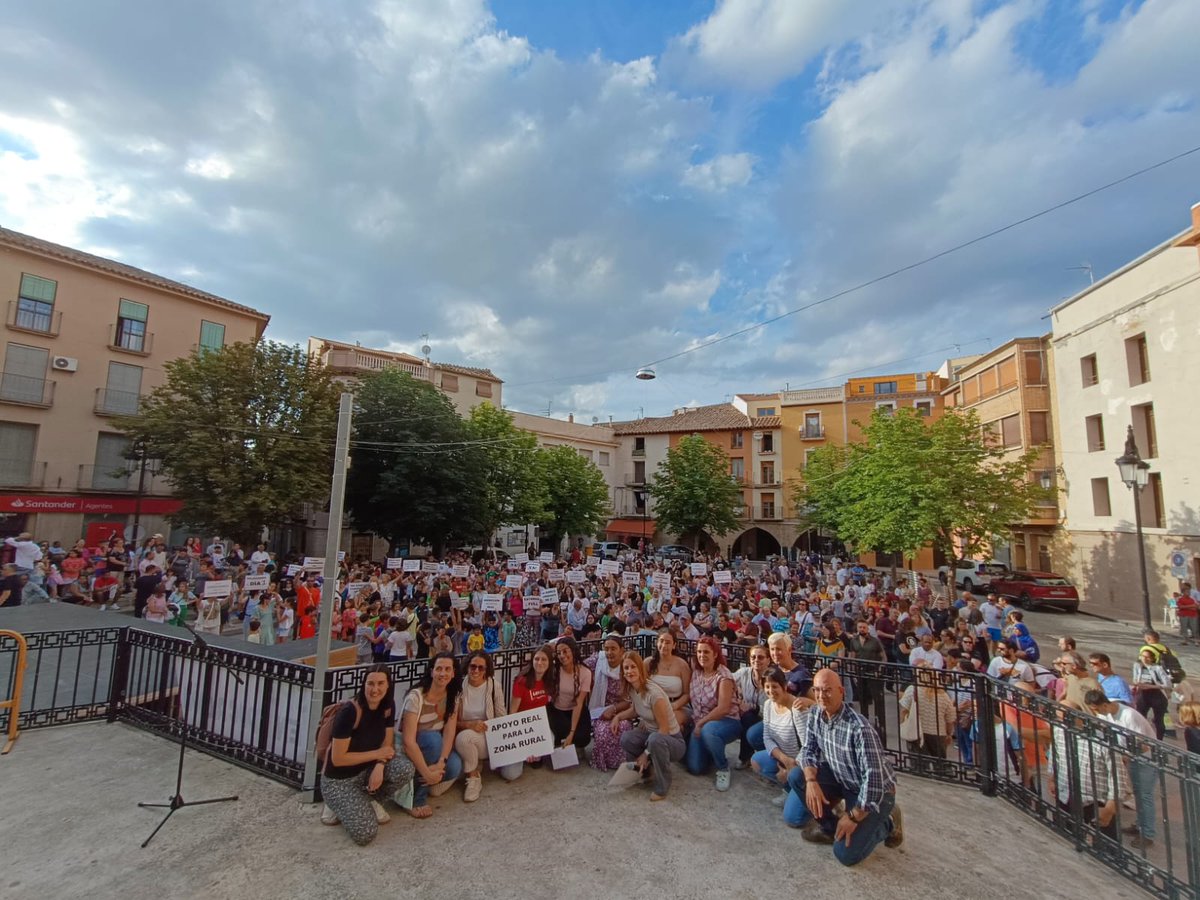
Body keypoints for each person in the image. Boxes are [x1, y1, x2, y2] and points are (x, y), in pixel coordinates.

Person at [791, 668, 902, 864]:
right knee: (797, 777)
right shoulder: (816, 713)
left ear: (841, 691)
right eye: (816, 690)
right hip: (842, 776)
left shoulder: (859, 729)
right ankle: (830, 827)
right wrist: (810, 780)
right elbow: (809, 750)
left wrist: (853, 817)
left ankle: (889, 822)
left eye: (827, 690)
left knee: (846, 855)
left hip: (872, 792)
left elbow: (873, 781)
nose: (821, 696)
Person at [320, 665, 415, 845]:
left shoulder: (387, 706)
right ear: (363, 685)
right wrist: (377, 754)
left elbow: (387, 743)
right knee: (366, 834)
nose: (375, 689)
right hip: (339, 781)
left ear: (388, 685)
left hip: (367, 770)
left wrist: (379, 765)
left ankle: (367, 799)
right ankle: (338, 804)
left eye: (380, 683)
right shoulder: (350, 711)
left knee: (404, 769)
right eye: (370, 683)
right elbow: (338, 759)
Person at [1083, 689, 1159, 849]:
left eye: (1097, 709)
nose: (1096, 713)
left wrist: (1125, 756)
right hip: (1128, 756)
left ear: (1104, 704)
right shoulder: (1105, 713)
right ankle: (1139, 825)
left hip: (1146, 758)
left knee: (1144, 795)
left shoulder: (1128, 716)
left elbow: (1143, 745)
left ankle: (1147, 834)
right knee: (1136, 794)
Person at [397, 653, 463, 819]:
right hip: (412, 749)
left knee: (454, 765)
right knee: (432, 740)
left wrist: (442, 762)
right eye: (439, 669)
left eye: (447, 669)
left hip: (434, 748)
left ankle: (431, 779)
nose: (443, 673)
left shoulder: (452, 696)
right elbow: (408, 741)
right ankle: (416, 799)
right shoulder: (416, 697)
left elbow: (449, 731)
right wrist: (426, 772)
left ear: (453, 673)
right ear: (431, 671)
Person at [614, 651, 686, 801]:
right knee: (627, 738)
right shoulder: (633, 688)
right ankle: (644, 773)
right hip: (653, 736)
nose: (629, 671)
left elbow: (664, 729)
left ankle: (662, 786)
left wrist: (645, 754)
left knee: (655, 740)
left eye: (633, 667)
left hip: (672, 740)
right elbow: (635, 710)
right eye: (626, 668)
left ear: (640, 668)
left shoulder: (654, 694)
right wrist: (618, 716)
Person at [684, 636, 741, 791]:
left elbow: (723, 708)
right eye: (699, 652)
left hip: (726, 721)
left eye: (706, 652)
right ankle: (711, 752)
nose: (702, 655)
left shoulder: (724, 676)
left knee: (708, 731)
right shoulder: (696, 671)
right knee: (695, 768)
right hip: (700, 721)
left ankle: (723, 768)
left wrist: (701, 723)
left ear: (715, 654)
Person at [454, 651, 508, 803]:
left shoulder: (494, 686)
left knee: (464, 739)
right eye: (473, 666)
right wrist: (469, 724)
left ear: (487, 670)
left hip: (488, 737)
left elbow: (501, 714)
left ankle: (473, 777)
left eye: (481, 668)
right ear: (467, 667)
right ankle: (474, 766)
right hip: (463, 734)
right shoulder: (459, 687)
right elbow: (452, 722)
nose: (476, 671)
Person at [750, 666, 806, 811]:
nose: (771, 691)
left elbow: (808, 746)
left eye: (775, 686)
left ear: (784, 686)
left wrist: (792, 766)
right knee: (757, 761)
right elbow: (767, 737)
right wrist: (784, 760)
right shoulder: (768, 705)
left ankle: (799, 787)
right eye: (767, 687)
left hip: (802, 763)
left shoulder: (796, 709)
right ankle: (788, 785)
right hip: (784, 758)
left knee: (792, 818)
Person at [498, 645, 554, 781]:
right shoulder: (522, 681)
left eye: (544, 660)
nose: (540, 663)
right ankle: (513, 759)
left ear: (549, 662)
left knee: (550, 739)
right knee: (511, 775)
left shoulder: (550, 681)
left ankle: (533, 757)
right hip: (521, 728)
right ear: (532, 661)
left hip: (538, 726)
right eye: (537, 659)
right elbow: (513, 712)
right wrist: (521, 742)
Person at [585, 635, 631, 771]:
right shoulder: (599, 660)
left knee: (622, 727)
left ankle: (620, 762)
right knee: (602, 730)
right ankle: (603, 762)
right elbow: (580, 666)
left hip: (622, 709)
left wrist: (614, 709)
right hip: (599, 709)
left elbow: (629, 700)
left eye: (613, 649)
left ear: (621, 650)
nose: (609, 652)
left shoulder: (627, 666)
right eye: (607, 649)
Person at [547, 636, 592, 750]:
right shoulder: (554, 669)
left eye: (565, 651)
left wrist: (572, 732)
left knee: (582, 737)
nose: (562, 655)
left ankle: (574, 744)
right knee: (561, 731)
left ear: (573, 650)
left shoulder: (585, 672)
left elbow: (579, 703)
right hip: (557, 709)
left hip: (575, 709)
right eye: (558, 652)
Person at [732, 643, 770, 768]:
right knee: (747, 717)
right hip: (747, 715)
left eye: (760, 657)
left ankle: (750, 757)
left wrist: (753, 707)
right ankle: (746, 757)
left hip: (767, 718)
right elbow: (727, 681)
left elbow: (774, 707)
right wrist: (738, 695)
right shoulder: (744, 673)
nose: (756, 660)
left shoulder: (772, 678)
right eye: (753, 657)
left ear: (768, 660)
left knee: (748, 718)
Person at [647, 629, 692, 728]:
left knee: (668, 722)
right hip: (653, 707)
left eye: (668, 642)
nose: (664, 645)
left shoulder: (682, 665)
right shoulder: (647, 663)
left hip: (678, 707)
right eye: (661, 641)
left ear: (674, 645)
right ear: (657, 642)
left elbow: (687, 694)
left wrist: (673, 706)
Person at [1130, 646, 1171, 740]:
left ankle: (1159, 740)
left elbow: (1167, 684)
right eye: (1142, 656)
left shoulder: (1157, 668)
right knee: (1141, 716)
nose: (1144, 658)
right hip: (1143, 694)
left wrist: (1150, 686)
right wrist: (1136, 684)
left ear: (1152, 658)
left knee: (1158, 719)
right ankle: (1141, 737)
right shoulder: (1137, 665)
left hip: (1157, 695)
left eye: (1147, 657)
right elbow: (1135, 679)